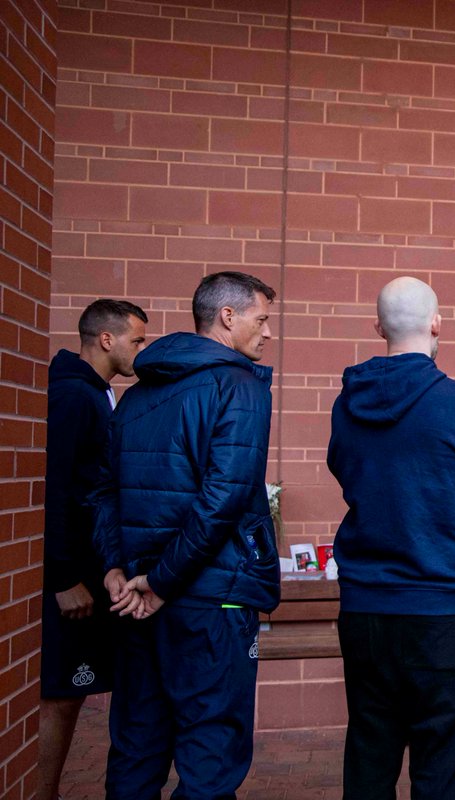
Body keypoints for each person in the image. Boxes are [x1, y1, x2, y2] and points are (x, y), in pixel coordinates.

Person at [91, 271, 280, 799]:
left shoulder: (134, 396)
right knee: (210, 757)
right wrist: (162, 581)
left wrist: (119, 570)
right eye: (261, 319)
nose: (267, 333)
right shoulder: (238, 385)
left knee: (136, 747)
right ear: (227, 317)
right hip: (206, 601)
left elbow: (104, 492)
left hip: (137, 598)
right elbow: (226, 498)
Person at [327, 276, 455, 800]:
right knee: (441, 766)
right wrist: (452, 502)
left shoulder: (347, 405)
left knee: (370, 750)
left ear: (378, 326)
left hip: (366, 608)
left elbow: (349, 474)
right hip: (444, 608)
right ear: (437, 323)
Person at [38, 299, 146, 800]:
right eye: (136, 340)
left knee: (71, 695)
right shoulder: (74, 398)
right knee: (59, 697)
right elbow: (51, 490)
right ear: (107, 340)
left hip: (89, 573)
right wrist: (63, 578)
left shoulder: (97, 395)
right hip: (69, 581)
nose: (140, 350)